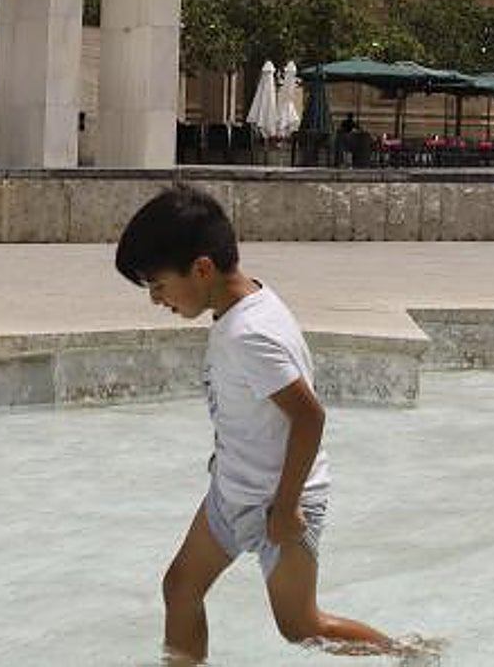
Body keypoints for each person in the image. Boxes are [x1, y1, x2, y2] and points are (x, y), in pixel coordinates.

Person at [115, 187, 432, 665]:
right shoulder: (238, 305)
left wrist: (284, 508)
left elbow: (309, 417)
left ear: (202, 268)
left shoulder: (251, 334)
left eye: (159, 286)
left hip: (280, 501)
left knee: (301, 627)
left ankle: (410, 655)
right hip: (234, 490)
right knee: (180, 588)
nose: (157, 300)